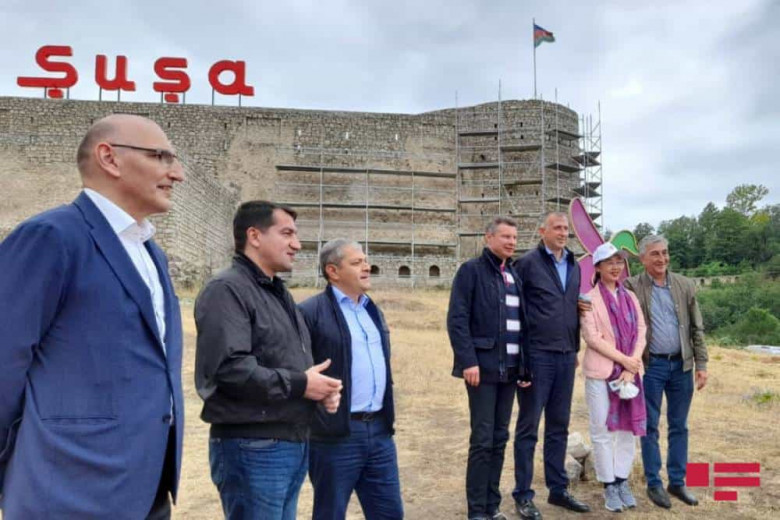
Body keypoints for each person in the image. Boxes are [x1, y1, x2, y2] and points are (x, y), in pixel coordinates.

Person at [0, 114, 185, 518]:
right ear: (110, 158)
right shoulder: (52, 236)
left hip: (146, 486)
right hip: (67, 489)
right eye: (161, 157)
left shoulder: (151, 253)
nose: (177, 173)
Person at [194, 201, 342, 520]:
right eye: (287, 233)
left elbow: (281, 363)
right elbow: (230, 370)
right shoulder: (227, 290)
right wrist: (302, 384)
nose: (297, 244)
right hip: (254, 447)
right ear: (254, 236)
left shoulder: (277, 292)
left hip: (288, 442)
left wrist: (317, 391)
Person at [299, 239, 403, 520]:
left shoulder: (372, 309)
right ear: (332, 271)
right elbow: (300, 371)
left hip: (380, 431)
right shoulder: (309, 312)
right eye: (357, 262)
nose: (366, 267)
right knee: (330, 514)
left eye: (366, 261)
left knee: (390, 514)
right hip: (335, 435)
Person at [447, 217, 528, 520]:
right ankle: (477, 510)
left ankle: (492, 505)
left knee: (500, 438)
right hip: (482, 369)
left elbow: (522, 325)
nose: (511, 242)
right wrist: (468, 360)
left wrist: (524, 368)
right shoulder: (471, 271)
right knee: (482, 440)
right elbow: (457, 319)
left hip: (510, 370)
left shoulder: (514, 275)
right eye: (505, 236)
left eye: (514, 237)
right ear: (488, 238)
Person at [512, 211, 591, 519]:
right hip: (537, 356)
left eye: (565, 228)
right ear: (542, 231)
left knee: (559, 426)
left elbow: (570, 307)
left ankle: (558, 490)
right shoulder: (527, 264)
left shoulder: (573, 264)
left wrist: (574, 348)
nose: (562, 233)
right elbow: (516, 311)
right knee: (528, 428)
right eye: (556, 228)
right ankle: (523, 495)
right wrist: (521, 358)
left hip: (565, 356)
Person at [624, 235, 708, 509]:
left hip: (681, 365)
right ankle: (654, 483)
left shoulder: (685, 285)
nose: (662, 259)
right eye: (655, 254)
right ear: (642, 259)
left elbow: (696, 327)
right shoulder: (632, 286)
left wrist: (702, 364)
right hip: (651, 366)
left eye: (664, 253)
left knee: (679, 425)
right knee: (649, 426)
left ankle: (677, 481)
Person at [580, 242, 648, 513]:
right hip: (601, 373)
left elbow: (642, 330)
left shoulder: (630, 296)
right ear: (597, 267)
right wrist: (625, 360)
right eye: (609, 262)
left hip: (630, 375)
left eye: (619, 261)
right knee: (602, 430)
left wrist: (633, 365)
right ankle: (608, 484)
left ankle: (622, 480)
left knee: (627, 431)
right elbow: (592, 337)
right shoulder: (588, 299)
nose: (616, 267)